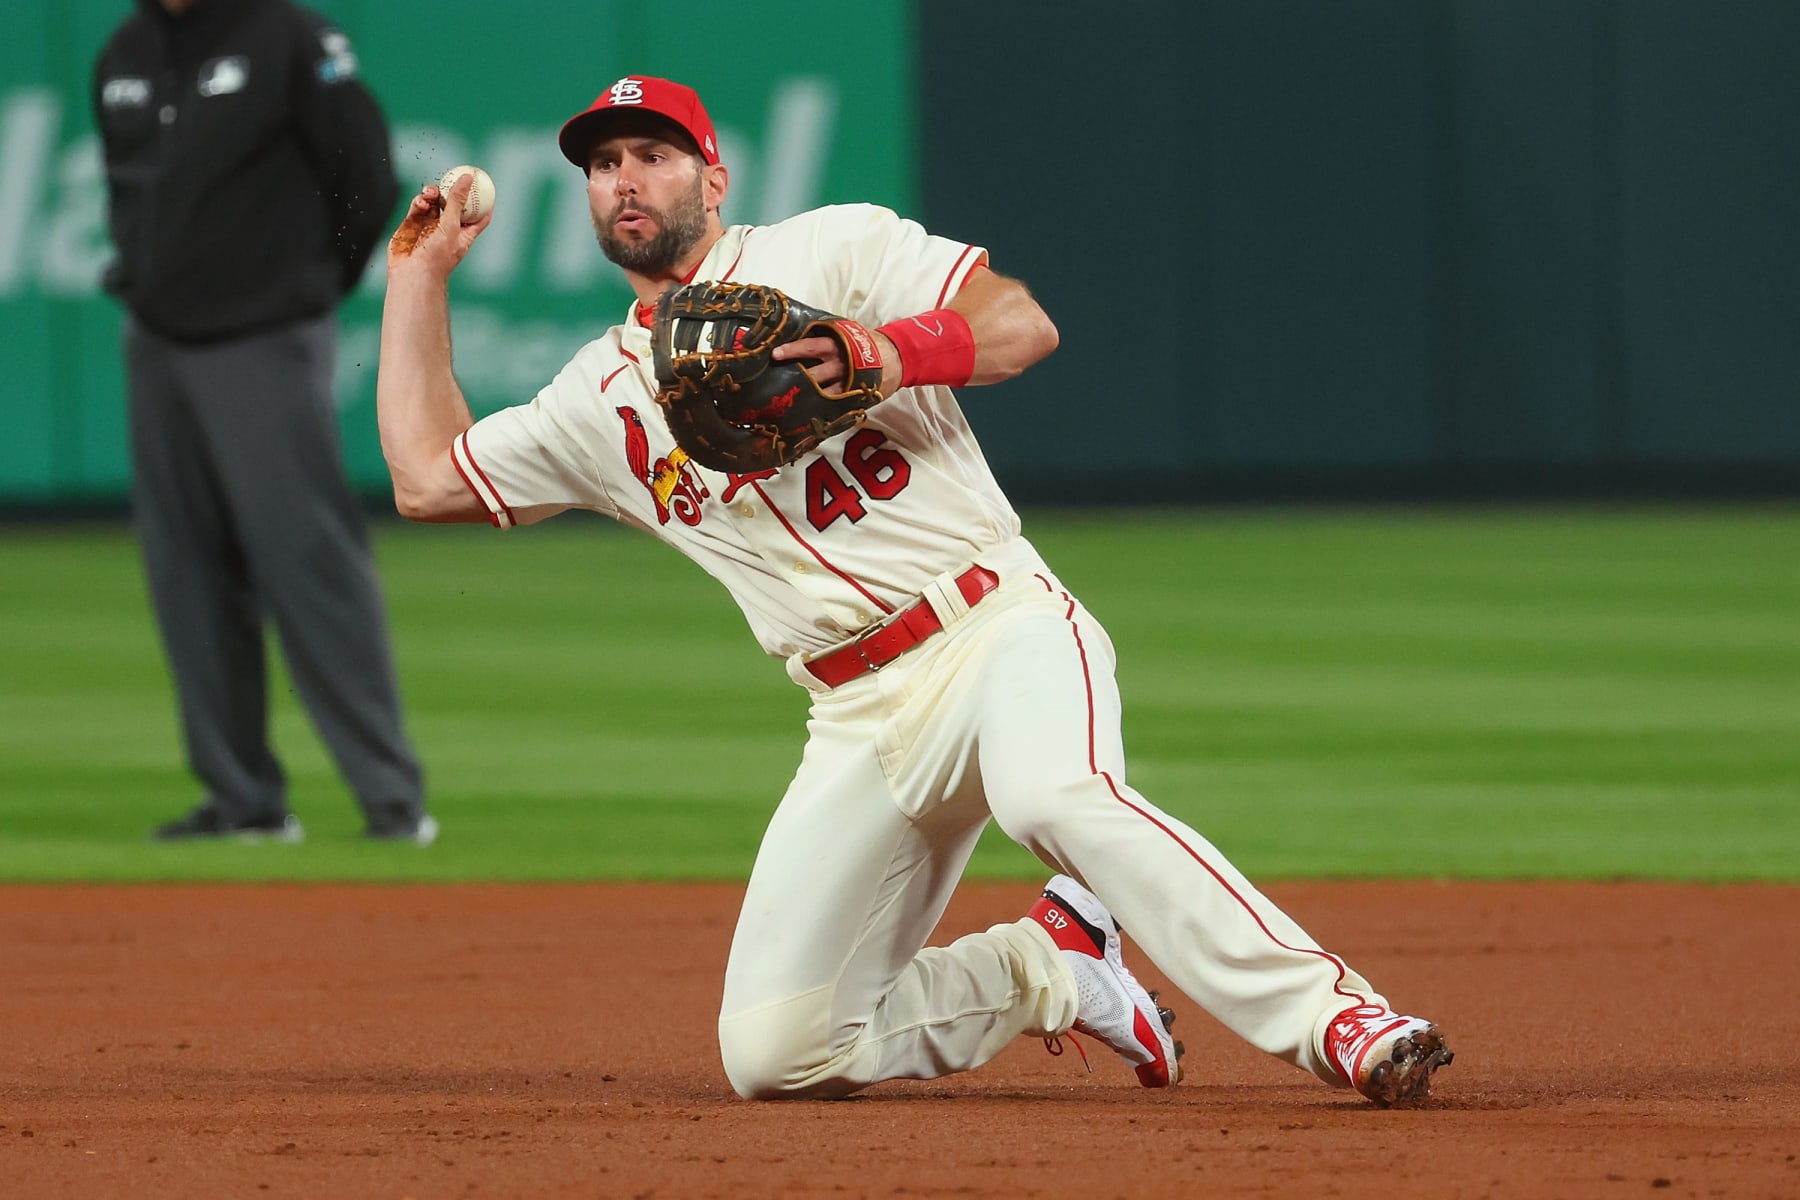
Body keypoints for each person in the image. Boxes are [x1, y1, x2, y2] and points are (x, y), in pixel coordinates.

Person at [376, 74, 1453, 1103]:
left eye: (653, 155)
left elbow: (1022, 325)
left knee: (1052, 796)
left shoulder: (830, 249)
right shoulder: (595, 398)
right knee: (777, 1049)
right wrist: (419, 277)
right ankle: (1052, 965)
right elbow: (427, 479)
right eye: (605, 163)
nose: (625, 180)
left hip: (994, 626)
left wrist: (888, 351)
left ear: (713, 176)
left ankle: (1338, 1020)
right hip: (855, 717)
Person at [92, 0, 435, 845]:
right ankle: (244, 802)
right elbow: (125, 192)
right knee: (186, 572)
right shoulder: (125, 50)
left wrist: (310, 287)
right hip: (158, 341)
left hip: (265, 335)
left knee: (307, 561)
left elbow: (367, 172)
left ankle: (390, 800)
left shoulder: (289, 35)